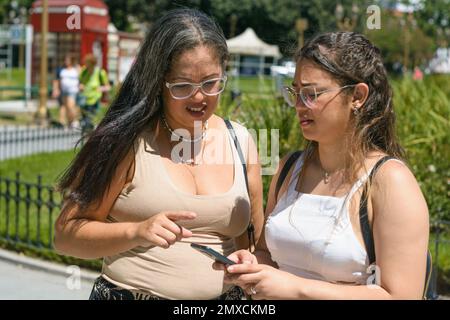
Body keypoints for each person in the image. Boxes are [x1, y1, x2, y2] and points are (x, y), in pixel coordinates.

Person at [54, 9, 264, 300]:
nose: (199, 97)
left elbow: (253, 244)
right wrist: (136, 232)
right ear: (158, 82)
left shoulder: (241, 140)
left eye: (210, 82)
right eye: (182, 86)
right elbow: (66, 235)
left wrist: (248, 263)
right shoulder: (127, 142)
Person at [217, 32, 430, 300]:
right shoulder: (289, 168)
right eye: (295, 92)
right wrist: (252, 264)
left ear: (358, 96)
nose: (298, 105)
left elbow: (401, 296)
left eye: (311, 94)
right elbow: (268, 255)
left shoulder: (390, 181)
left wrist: (295, 288)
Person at [78, 54, 110, 133]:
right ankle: (87, 134)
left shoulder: (100, 72)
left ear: (92, 63)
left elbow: (107, 87)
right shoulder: (84, 71)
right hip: (84, 99)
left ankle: (90, 133)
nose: (85, 64)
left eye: (87, 62)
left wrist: (100, 88)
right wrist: (81, 86)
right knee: (84, 118)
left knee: (91, 118)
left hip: (95, 99)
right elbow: (80, 82)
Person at [52, 54, 80, 129]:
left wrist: (81, 85)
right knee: (64, 107)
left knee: (71, 106)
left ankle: (75, 120)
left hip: (73, 90)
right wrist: (56, 89)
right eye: (65, 60)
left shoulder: (76, 68)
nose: (66, 61)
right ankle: (67, 121)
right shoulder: (61, 69)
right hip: (64, 91)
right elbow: (56, 80)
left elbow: (81, 78)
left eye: (68, 60)